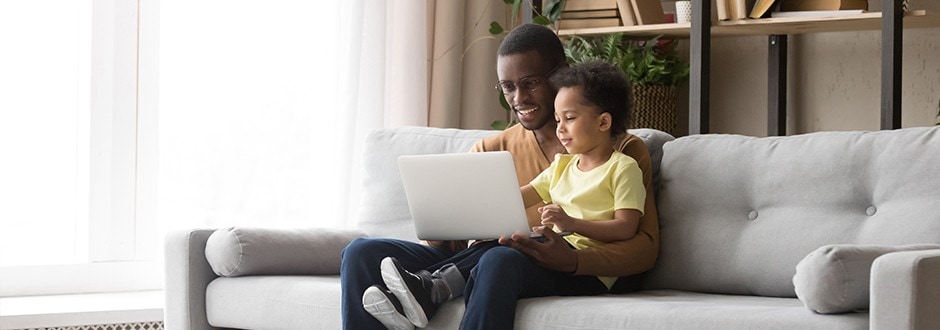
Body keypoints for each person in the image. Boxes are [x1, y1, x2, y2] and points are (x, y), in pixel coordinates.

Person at [340, 23, 660, 330]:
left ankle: (429, 289)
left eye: (530, 82)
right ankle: (423, 290)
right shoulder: (493, 148)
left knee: (498, 258)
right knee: (361, 254)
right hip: (480, 256)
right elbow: (451, 241)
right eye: (508, 86)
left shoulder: (623, 152)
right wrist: (443, 219)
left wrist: (574, 261)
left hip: (540, 262)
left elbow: (643, 246)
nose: (518, 98)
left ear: (560, 75)